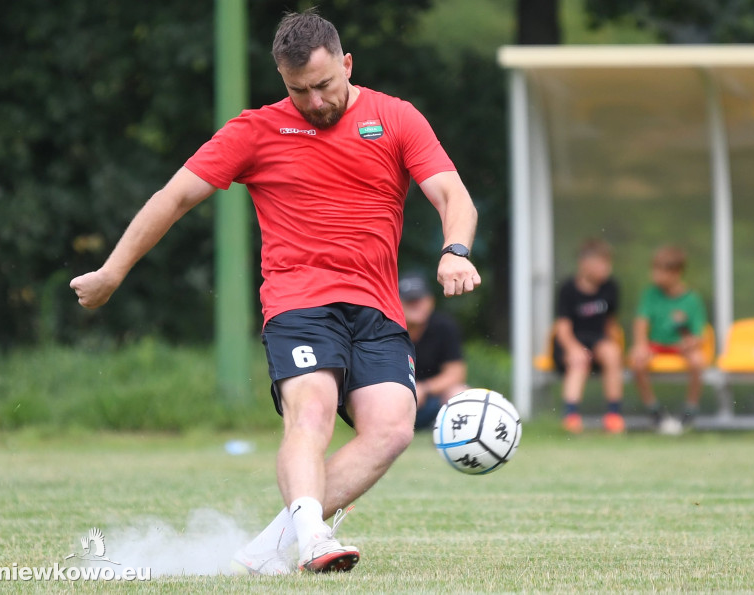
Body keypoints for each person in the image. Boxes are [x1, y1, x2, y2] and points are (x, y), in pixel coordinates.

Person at [69, 9, 481, 574]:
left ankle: (267, 550)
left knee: (390, 428)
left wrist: (455, 250)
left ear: (347, 64)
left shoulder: (396, 117)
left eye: (324, 84)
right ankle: (312, 540)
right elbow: (174, 197)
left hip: (376, 307)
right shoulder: (256, 130)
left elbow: (452, 195)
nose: (314, 101)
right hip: (299, 301)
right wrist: (112, 272)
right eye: (298, 90)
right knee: (311, 411)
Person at [629, 245, 707, 427]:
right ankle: (653, 410)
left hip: (680, 347)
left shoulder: (692, 300)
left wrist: (690, 343)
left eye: (660, 272)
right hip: (655, 345)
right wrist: (640, 345)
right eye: (654, 270)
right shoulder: (650, 294)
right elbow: (641, 322)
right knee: (637, 361)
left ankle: (690, 408)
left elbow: (699, 335)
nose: (654, 276)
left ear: (676, 273)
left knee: (698, 360)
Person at [553, 238, 624, 434]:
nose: (607, 269)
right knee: (580, 359)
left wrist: (616, 349)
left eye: (608, 263)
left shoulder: (610, 287)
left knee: (612, 353)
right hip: (572, 343)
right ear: (584, 264)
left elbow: (610, 324)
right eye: (602, 263)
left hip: (597, 342)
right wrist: (573, 349)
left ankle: (614, 416)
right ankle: (571, 417)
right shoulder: (568, 289)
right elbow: (563, 329)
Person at [399, 272, 469, 431]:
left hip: (432, 401)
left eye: (419, 300)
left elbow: (456, 374)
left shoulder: (444, 327)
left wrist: (424, 389)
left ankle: (453, 432)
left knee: (459, 392)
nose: (416, 305)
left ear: (431, 301)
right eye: (410, 301)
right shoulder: (387, 328)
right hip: (396, 399)